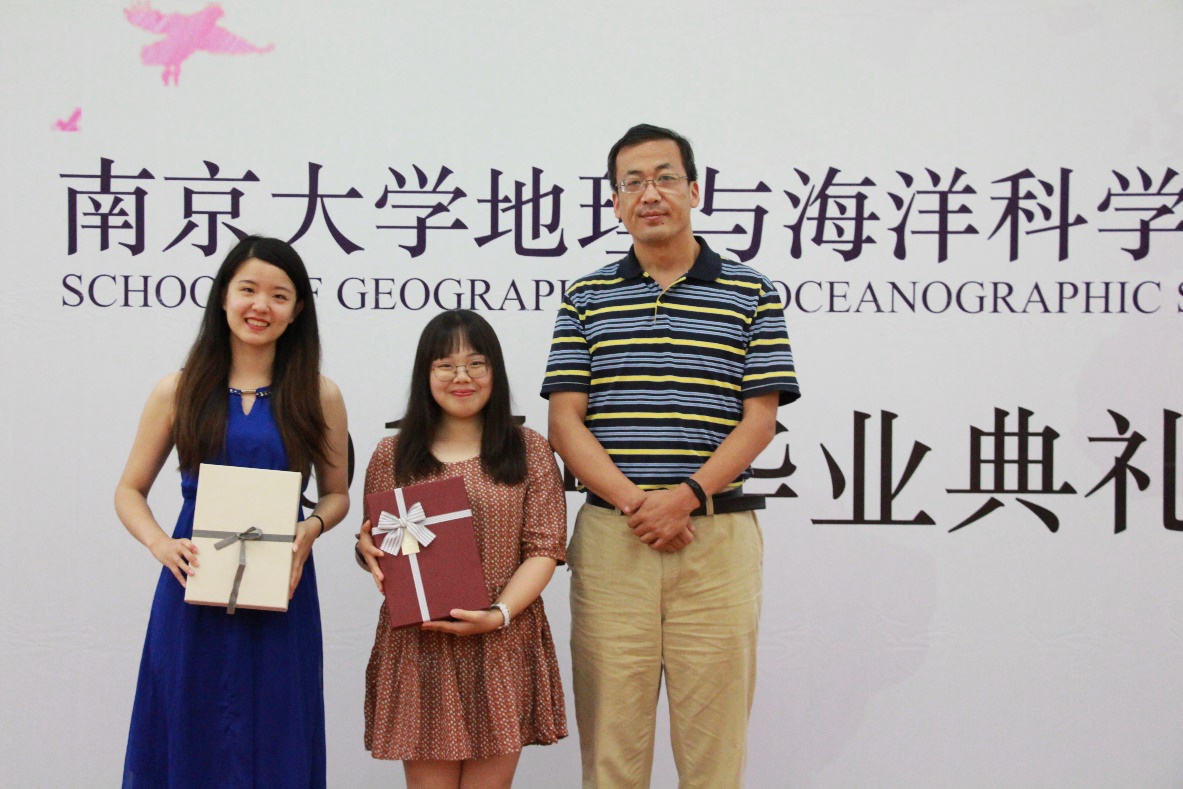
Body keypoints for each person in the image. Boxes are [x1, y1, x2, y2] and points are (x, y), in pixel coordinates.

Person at [542, 124, 801, 788]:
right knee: (611, 753)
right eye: (632, 182)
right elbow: (564, 422)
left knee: (714, 756)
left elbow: (760, 420)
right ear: (615, 202)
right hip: (614, 539)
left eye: (663, 178)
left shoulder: (752, 292)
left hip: (715, 541)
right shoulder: (584, 297)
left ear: (694, 189)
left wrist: (683, 497)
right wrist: (639, 504)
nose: (649, 194)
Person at [115, 236, 350, 789]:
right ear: (223, 297)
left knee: (278, 726)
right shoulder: (177, 390)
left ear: (297, 311)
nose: (260, 306)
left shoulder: (320, 395)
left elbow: (337, 494)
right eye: (248, 290)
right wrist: (160, 544)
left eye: (279, 295)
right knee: (188, 721)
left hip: (282, 586)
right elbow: (129, 490)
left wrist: (311, 528)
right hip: (193, 583)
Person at [357, 309, 568, 789]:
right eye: (445, 365)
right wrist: (366, 547)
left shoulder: (529, 448)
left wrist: (498, 614)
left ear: (495, 371)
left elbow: (544, 548)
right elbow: (379, 541)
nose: (462, 377)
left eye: (476, 363)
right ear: (425, 374)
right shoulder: (392, 454)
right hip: (422, 643)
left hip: (501, 639)